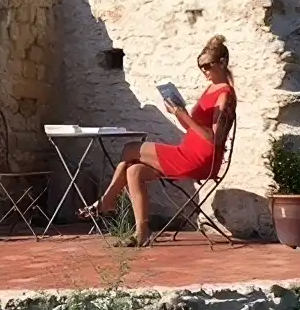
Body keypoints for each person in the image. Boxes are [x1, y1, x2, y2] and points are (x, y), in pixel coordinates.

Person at [79, 35, 237, 246]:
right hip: (186, 151)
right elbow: (191, 129)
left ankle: (108, 200)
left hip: (201, 159)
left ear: (222, 62)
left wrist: (184, 115)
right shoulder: (210, 89)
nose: (204, 71)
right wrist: (177, 114)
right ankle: (142, 233)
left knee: (131, 148)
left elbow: (214, 140)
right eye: (201, 67)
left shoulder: (225, 95)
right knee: (133, 171)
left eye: (208, 66)